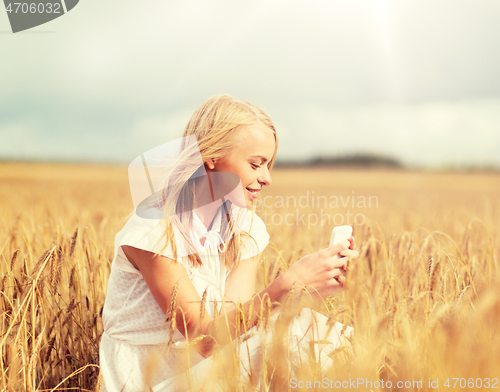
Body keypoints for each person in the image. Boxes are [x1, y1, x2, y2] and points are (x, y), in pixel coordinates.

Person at [98, 94, 359, 392]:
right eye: (256, 164)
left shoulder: (245, 228)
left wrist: (306, 290)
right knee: (288, 335)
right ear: (211, 156)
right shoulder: (155, 226)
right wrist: (286, 284)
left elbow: (236, 330)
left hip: (209, 374)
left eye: (269, 165)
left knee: (308, 328)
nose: (267, 178)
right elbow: (204, 339)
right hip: (148, 381)